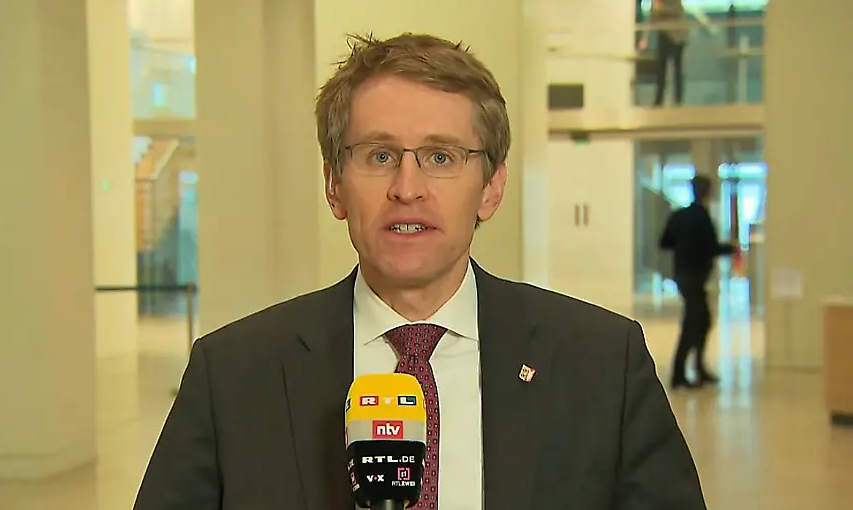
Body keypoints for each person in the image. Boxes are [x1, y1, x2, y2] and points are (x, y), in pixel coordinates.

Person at [133, 33, 707, 510]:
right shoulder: (232, 375)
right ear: (334, 185)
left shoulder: (602, 363)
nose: (407, 189)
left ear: (492, 187)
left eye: (441, 157)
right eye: (379, 156)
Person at [660, 175, 736, 389]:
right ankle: (679, 373)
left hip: (684, 275)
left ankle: (697, 368)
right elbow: (710, 247)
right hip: (693, 276)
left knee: (700, 321)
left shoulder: (680, 215)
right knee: (694, 323)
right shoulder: (701, 216)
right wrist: (731, 248)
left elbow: (665, 242)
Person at [639, 0, 689, 106]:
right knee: (661, 67)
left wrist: (659, 7)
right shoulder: (657, 0)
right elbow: (651, 18)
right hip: (664, 32)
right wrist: (645, 39)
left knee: (677, 67)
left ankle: (677, 100)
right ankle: (659, 99)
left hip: (677, 33)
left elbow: (675, 8)